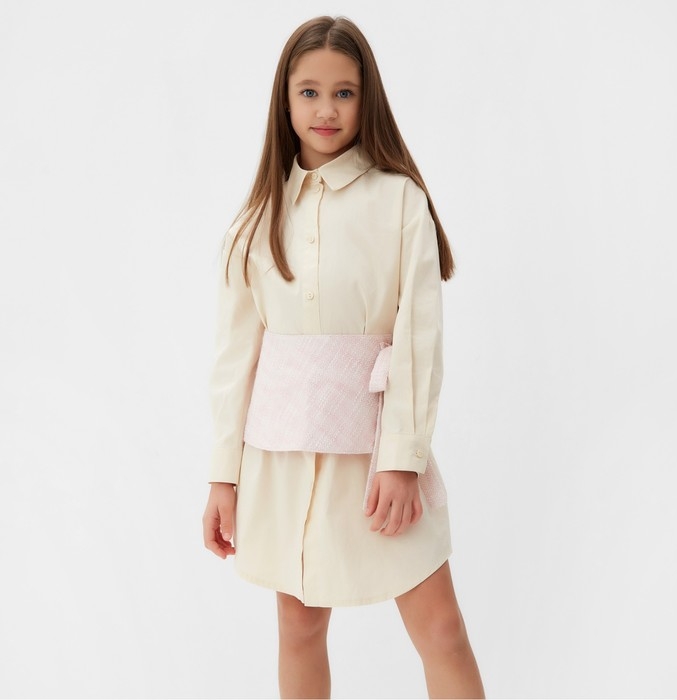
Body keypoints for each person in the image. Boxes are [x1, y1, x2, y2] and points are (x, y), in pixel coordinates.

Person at [202, 15, 486, 699]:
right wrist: (222, 477)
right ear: (285, 100)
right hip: (283, 460)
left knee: (441, 629)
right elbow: (234, 361)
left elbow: (418, 340)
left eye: (344, 93)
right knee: (299, 629)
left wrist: (402, 459)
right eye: (309, 92)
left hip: (377, 456)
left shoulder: (399, 201)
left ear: (367, 99)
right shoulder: (256, 219)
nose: (325, 109)